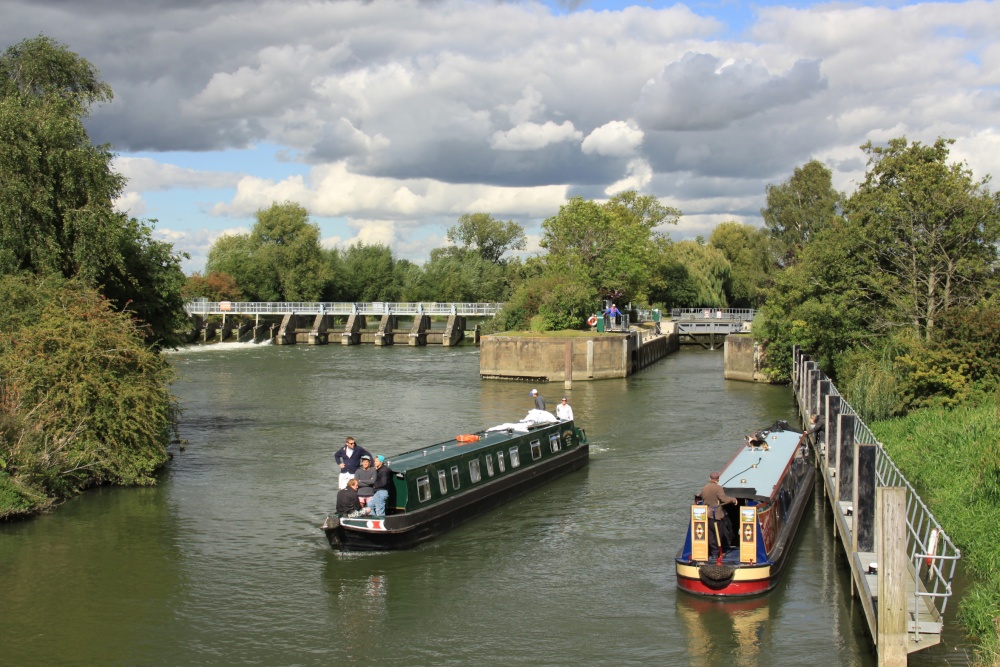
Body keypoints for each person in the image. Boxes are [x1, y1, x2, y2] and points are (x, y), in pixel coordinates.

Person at [700, 471, 737, 559]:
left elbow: (703, 498)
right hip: (717, 516)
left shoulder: (704, 488)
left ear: (710, 479)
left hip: (707, 515)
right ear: (718, 479)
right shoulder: (718, 488)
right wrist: (733, 499)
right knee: (719, 535)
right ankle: (719, 553)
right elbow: (723, 499)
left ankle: (714, 553)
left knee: (710, 535)